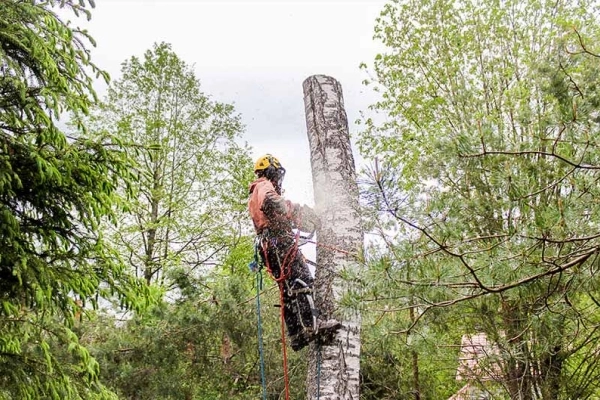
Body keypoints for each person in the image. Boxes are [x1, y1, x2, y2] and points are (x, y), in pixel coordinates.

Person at [248, 154, 341, 351]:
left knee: (288, 291)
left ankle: (297, 334)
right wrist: (297, 209)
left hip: (269, 246)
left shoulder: (255, 192)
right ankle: (312, 326)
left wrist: (303, 219)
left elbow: (277, 215)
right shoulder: (263, 185)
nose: (279, 180)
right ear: (271, 171)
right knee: (302, 279)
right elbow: (272, 203)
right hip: (279, 243)